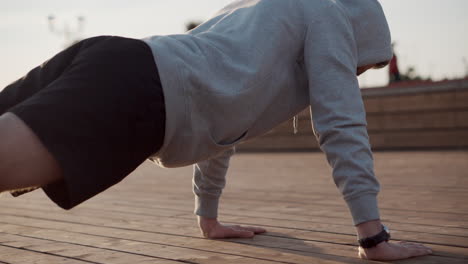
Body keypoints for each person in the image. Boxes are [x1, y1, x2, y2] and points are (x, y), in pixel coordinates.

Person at [0, 0, 432, 261]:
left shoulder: (261, 16)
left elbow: (224, 118)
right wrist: (372, 235)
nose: (353, 74)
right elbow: (341, 120)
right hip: (139, 93)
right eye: (363, 65)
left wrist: (208, 216)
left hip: (114, 57)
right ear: (364, 38)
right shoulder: (332, 15)